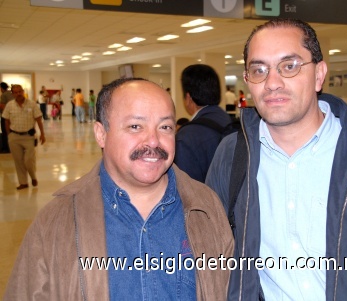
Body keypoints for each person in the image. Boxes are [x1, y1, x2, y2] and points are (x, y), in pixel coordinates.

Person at [206, 18, 347, 300]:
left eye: (289, 66)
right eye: (258, 70)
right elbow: (212, 256)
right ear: (248, 81)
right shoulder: (231, 155)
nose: (272, 83)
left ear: (319, 74)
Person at [4, 77, 233, 300]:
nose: (153, 141)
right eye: (135, 126)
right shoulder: (56, 221)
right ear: (101, 134)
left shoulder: (206, 207)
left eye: (165, 127)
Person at [174, 64, 232, 183]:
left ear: (188, 97)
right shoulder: (229, 121)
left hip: (208, 200)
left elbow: (187, 189)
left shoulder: (187, 136)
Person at [2, 84, 45, 190]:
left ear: (23, 91)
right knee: (18, 161)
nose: (18, 94)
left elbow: (39, 119)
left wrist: (43, 134)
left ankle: (33, 177)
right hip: (14, 137)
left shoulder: (32, 104)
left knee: (29, 160)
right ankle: (23, 182)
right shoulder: (10, 105)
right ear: (12, 94)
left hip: (28, 137)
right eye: (15, 92)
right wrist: (9, 134)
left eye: (20, 91)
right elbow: (6, 120)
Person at [1, 81, 15, 153]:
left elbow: (2, 106)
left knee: (5, 132)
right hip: (13, 116)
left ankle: (6, 148)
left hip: (6, 116)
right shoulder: (11, 94)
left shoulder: (4, 95)